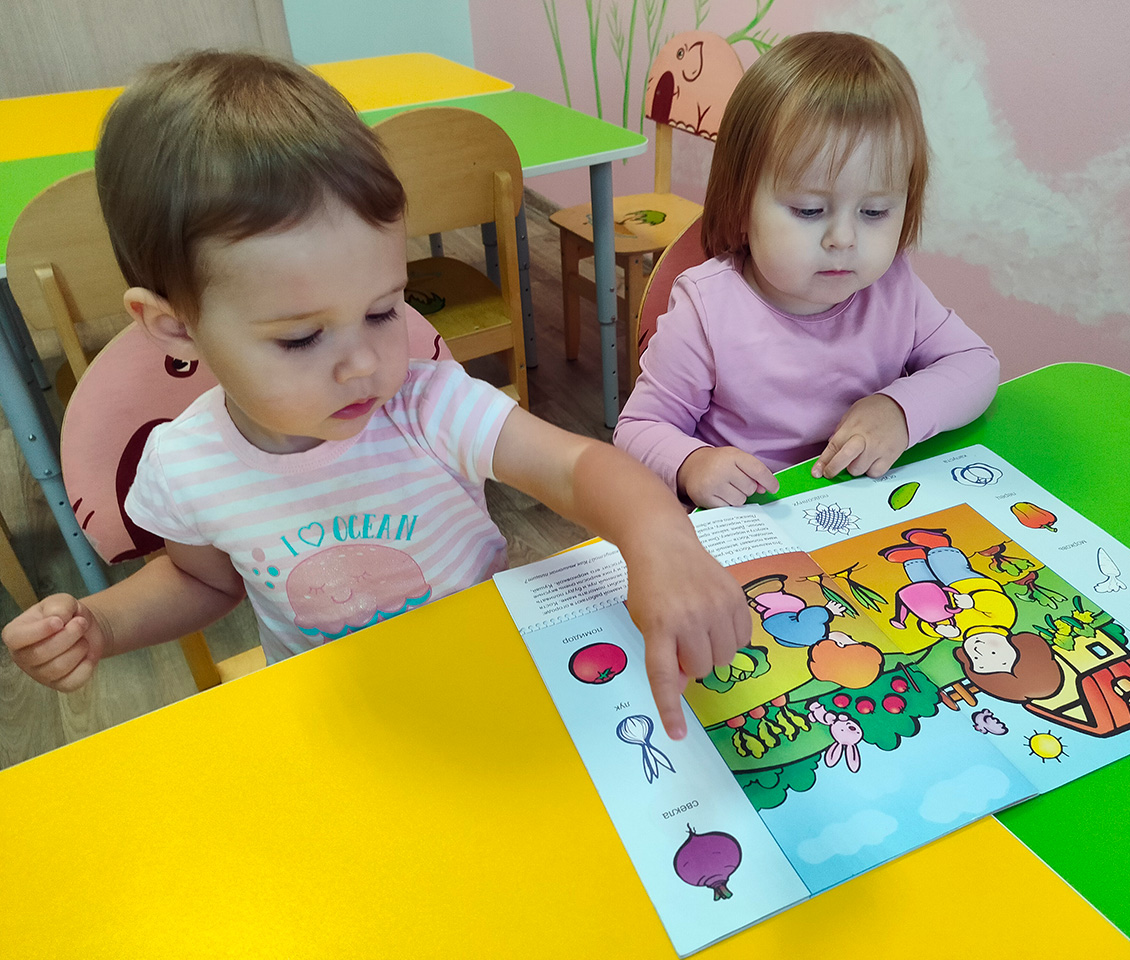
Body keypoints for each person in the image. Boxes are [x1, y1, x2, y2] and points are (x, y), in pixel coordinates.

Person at [0, 51, 749, 740]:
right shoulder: (183, 465)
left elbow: (576, 468)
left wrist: (657, 537)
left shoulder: (423, 403)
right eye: (302, 338)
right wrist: (102, 626)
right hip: (347, 714)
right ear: (176, 328)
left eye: (385, 309)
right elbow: (202, 581)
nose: (363, 364)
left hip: (490, 670)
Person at [614, 32, 999, 508]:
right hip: (752, 521)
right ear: (741, 205)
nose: (844, 238)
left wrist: (900, 411)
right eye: (809, 210)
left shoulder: (894, 289)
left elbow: (977, 365)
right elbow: (638, 428)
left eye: (875, 212)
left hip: (863, 511)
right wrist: (692, 464)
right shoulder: (707, 310)